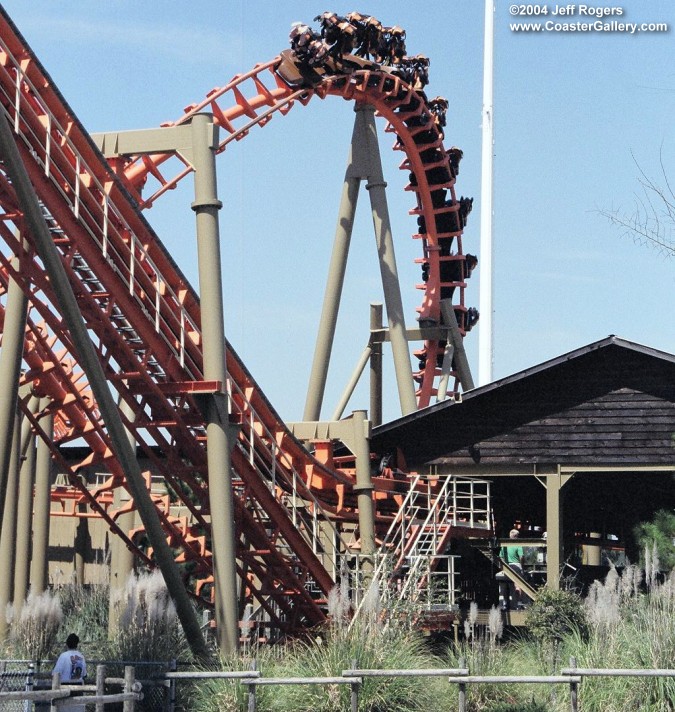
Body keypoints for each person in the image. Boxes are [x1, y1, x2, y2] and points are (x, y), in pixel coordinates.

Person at [53, 633, 87, 712]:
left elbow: (56, 673)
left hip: (64, 689)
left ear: (67, 644)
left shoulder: (63, 656)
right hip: (79, 689)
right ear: (77, 644)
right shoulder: (81, 656)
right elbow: (84, 674)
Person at [500, 529, 525, 609]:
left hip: (507, 566)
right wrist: (522, 566)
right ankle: (518, 603)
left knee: (506, 585)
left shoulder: (505, 545)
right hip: (516, 565)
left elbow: (501, 557)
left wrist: (504, 565)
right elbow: (521, 557)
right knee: (518, 585)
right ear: (516, 536)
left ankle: (505, 604)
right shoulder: (518, 545)